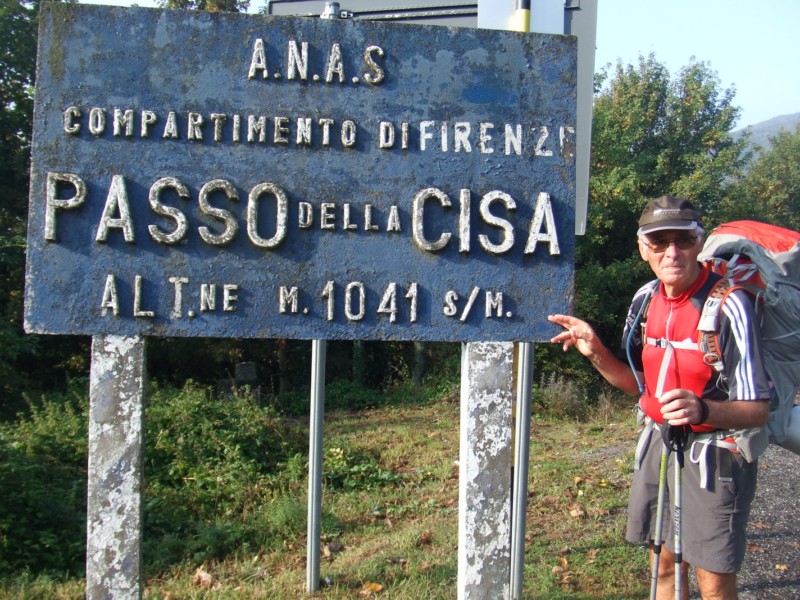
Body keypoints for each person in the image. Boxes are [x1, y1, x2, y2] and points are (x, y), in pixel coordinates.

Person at [548, 195, 771, 600]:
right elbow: (638, 386)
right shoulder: (645, 299)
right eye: (658, 241)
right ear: (642, 248)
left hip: (714, 455)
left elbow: (757, 410)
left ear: (698, 242)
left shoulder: (730, 305)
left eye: (682, 240)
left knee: (713, 578)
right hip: (659, 444)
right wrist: (595, 351)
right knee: (664, 565)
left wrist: (703, 408)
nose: (671, 252)